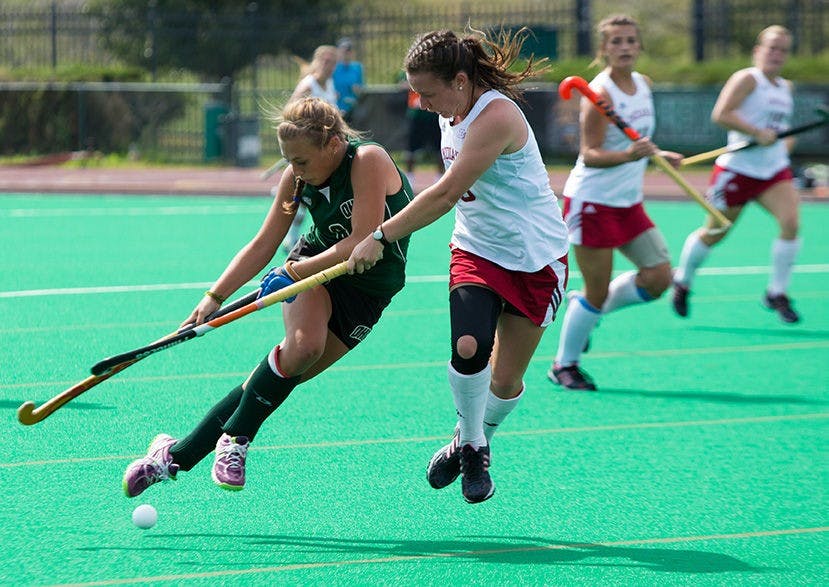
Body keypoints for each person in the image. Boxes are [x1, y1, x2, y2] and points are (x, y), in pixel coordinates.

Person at [123, 97, 413, 497]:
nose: (295, 170)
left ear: (333, 144)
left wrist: (290, 274)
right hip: (313, 269)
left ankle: (171, 456)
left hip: (368, 291)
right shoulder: (296, 177)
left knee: (276, 381)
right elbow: (264, 243)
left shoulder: (367, 160)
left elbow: (359, 242)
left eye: (302, 160)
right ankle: (236, 439)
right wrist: (214, 296)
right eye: (288, 160)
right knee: (303, 347)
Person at [348, 28, 569, 504]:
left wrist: (380, 236)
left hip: (535, 257)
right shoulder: (450, 110)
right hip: (476, 250)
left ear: (461, 81)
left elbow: (447, 193)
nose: (422, 104)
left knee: (504, 381)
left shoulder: (497, 116)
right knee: (469, 346)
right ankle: (473, 449)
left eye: (427, 93)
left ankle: (472, 435)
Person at [547, 14, 682, 391]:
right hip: (593, 202)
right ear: (604, 49)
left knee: (659, 277)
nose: (625, 47)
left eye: (630, 41)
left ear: (639, 46)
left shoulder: (643, 84)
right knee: (597, 289)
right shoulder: (600, 93)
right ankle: (564, 365)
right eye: (616, 42)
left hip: (628, 202)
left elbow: (637, 141)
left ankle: (585, 312)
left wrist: (657, 155)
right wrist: (629, 156)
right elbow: (590, 154)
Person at [672, 25, 801, 324]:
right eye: (772, 48)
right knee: (715, 232)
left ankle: (776, 292)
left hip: (773, 170)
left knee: (791, 223)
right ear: (758, 50)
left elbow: (781, 128)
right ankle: (683, 280)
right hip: (738, 170)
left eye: (783, 50)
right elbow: (721, 114)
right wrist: (756, 132)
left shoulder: (786, 87)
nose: (777, 54)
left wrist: (784, 142)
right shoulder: (747, 79)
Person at [280, 45, 341, 254]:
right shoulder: (308, 86)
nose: (329, 66)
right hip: (310, 151)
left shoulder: (330, 84)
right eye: (326, 61)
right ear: (317, 62)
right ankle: (292, 238)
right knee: (305, 195)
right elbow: (290, 115)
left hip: (326, 151)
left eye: (333, 62)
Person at [332, 37, 364, 121]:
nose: (345, 53)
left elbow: (361, 87)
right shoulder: (333, 67)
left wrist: (358, 90)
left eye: (348, 50)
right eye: (343, 51)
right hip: (335, 108)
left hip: (353, 108)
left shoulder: (357, 67)